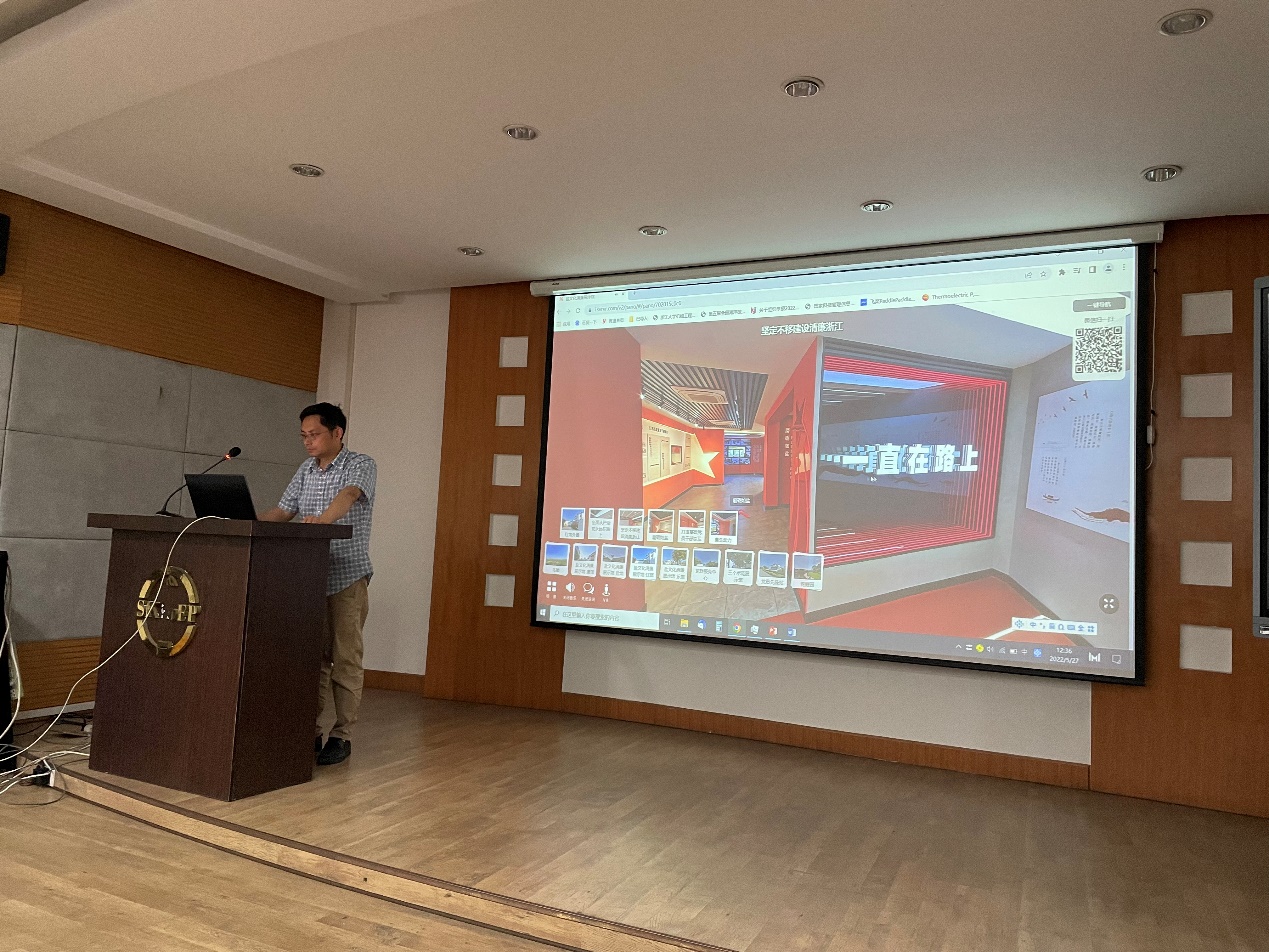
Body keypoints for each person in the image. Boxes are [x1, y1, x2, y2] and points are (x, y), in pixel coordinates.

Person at [259, 402, 376, 766]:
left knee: (345, 657)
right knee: (313, 658)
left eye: (314, 434)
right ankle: (308, 731)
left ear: (337, 433)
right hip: (309, 577)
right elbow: (283, 511)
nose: (307, 442)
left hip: (346, 576)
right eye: (303, 436)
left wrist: (323, 522)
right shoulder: (305, 469)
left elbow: (349, 496)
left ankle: (342, 735)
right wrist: (243, 523)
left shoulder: (360, 464)